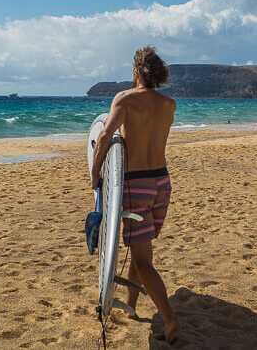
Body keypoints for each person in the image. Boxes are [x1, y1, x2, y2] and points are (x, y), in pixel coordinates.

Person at [91, 46, 179, 343]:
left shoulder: (125, 100)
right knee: (142, 249)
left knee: (143, 260)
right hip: (161, 183)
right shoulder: (169, 104)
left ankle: (169, 319)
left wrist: (95, 172)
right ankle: (131, 304)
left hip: (136, 184)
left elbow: (104, 136)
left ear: (136, 70)